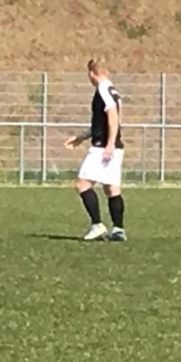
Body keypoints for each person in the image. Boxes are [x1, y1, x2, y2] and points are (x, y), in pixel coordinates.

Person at [64, 59, 126, 241]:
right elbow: (104, 122)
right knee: (112, 188)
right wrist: (81, 137)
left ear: (91, 73)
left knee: (82, 185)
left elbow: (112, 115)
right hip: (115, 147)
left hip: (103, 147)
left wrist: (109, 143)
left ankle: (97, 225)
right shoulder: (113, 89)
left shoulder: (103, 89)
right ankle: (118, 229)